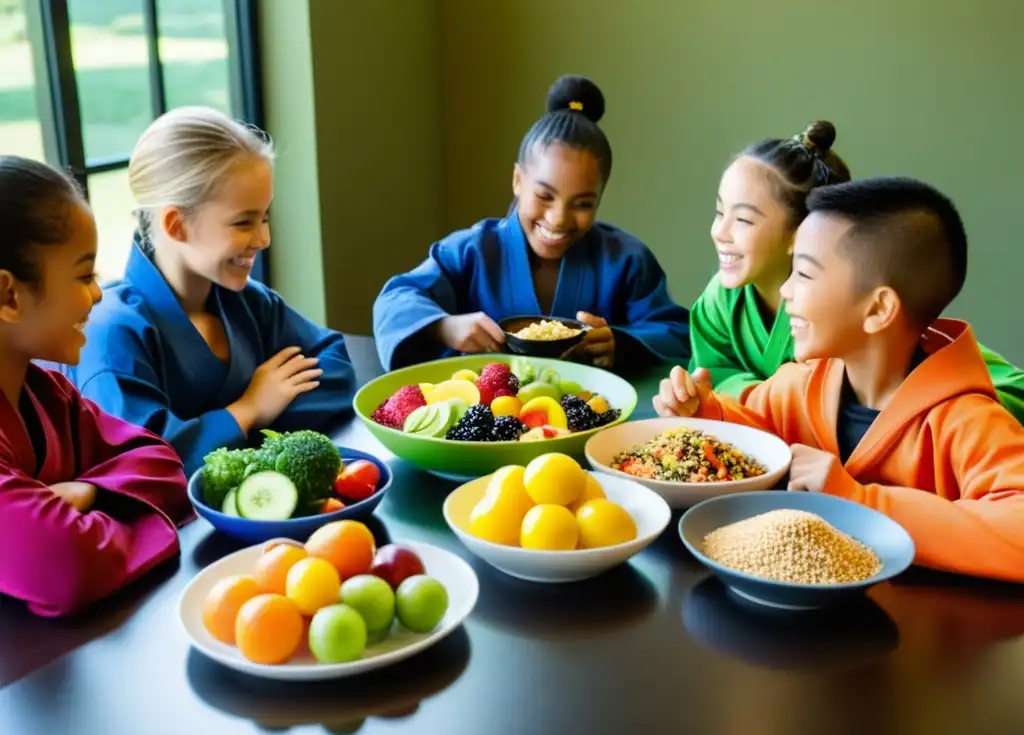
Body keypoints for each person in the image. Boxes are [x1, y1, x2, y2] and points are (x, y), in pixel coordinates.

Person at [655, 176, 1024, 582]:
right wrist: (706, 413)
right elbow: (757, 434)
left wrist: (862, 502)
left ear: (878, 309)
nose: (787, 289)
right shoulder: (800, 384)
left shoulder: (967, 421)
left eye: (805, 275)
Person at [64, 107, 356, 476]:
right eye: (243, 222)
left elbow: (335, 367)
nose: (264, 239)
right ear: (177, 224)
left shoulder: (248, 302)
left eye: (264, 217)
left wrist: (242, 440)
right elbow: (144, 465)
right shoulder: (111, 334)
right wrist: (247, 410)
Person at [691, 121, 1024, 421]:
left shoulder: (845, 310)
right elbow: (711, 373)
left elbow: (1003, 387)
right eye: (720, 212)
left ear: (800, 233)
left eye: (744, 220)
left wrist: (950, 419)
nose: (720, 231)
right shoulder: (722, 297)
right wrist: (761, 401)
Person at [373, 75, 691, 372]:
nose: (558, 218)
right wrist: (443, 326)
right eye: (544, 195)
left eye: (582, 204)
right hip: (487, 421)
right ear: (517, 180)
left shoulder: (626, 260)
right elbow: (395, 300)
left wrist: (618, 342)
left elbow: (675, 331)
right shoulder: (471, 251)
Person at [0, 156, 192, 617]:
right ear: (8, 296)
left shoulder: (48, 394)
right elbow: (66, 565)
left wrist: (90, 495)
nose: (99, 292)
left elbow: (163, 464)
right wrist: (121, 513)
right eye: (84, 275)